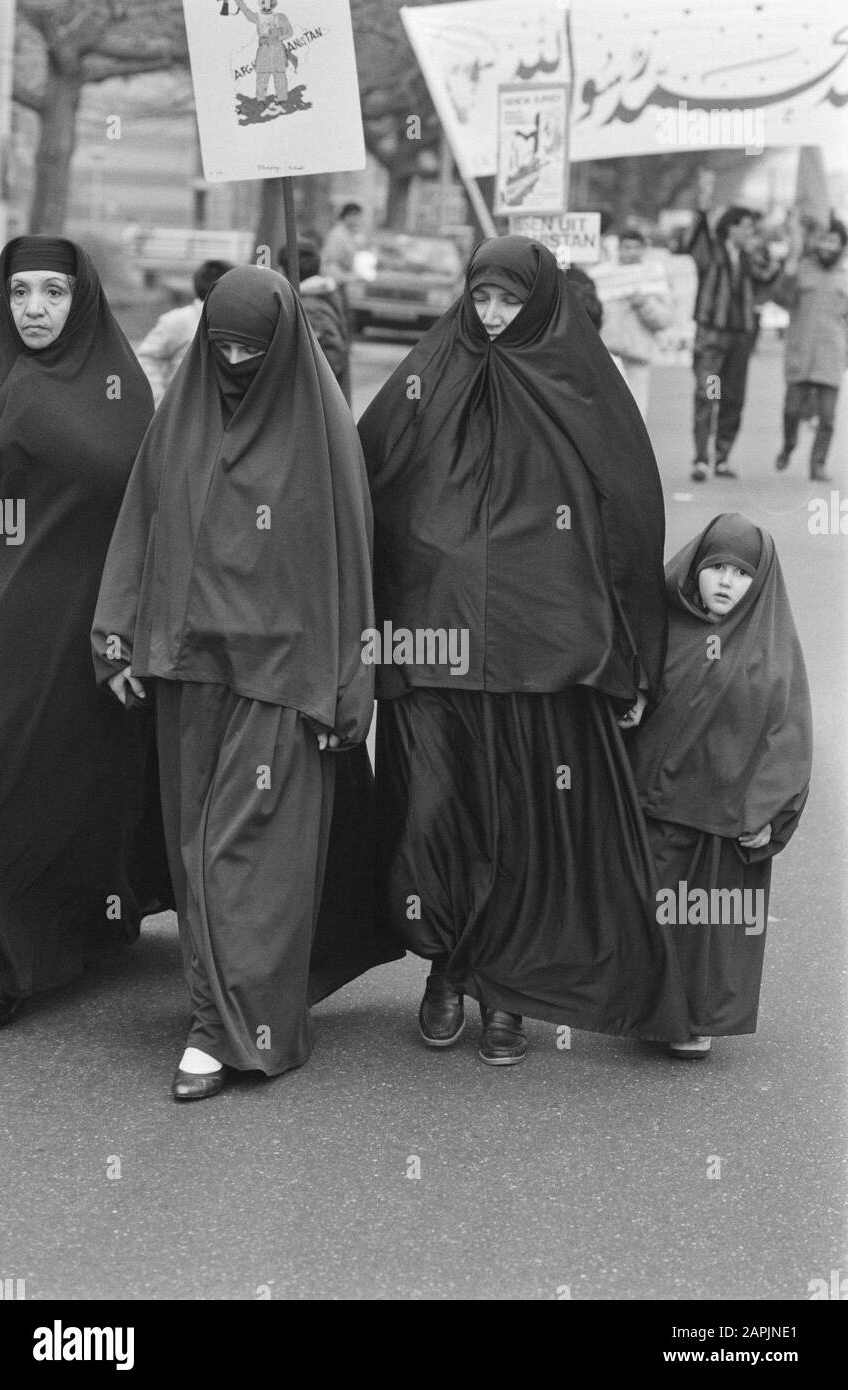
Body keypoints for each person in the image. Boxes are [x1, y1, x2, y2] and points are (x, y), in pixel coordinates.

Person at [359, 234, 691, 1066]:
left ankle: (504, 990)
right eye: (482, 299)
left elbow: (627, 524)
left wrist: (630, 654)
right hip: (426, 649)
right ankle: (444, 966)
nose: (495, 316)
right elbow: (358, 490)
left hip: (545, 657)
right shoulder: (421, 379)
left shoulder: (583, 386)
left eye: (510, 300)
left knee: (520, 825)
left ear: (541, 302)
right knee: (429, 816)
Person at [92, 266, 400, 1101]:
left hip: (285, 681)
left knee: (248, 862)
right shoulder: (180, 420)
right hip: (190, 674)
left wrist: (349, 685)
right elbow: (140, 523)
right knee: (198, 859)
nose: (233, 362)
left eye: (251, 350)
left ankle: (224, 1032)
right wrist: (117, 636)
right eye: (220, 346)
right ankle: (232, 1011)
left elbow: (349, 570)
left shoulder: (319, 434)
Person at [0, 235, 170, 1031]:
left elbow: (155, 507)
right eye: (20, 292)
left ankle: (75, 927)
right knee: (2, 776)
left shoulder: (123, 391)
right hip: (3, 621)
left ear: (81, 298)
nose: (34, 310)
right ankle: (3, 955)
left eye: (53, 293)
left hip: (95, 624)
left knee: (80, 785)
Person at [628, 514, 812, 1059]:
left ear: (759, 582)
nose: (727, 581)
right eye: (715, 568)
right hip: (656, 803)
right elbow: (628, 675)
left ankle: (694, 1017)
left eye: (741, 572)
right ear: (693, 570)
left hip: (728, 814)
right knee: (651, 908)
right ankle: (648, 1005)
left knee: (709, 922)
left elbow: (789, 733)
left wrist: (773, 814)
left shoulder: (770, 646)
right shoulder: (661, 627)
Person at [684, 169, 779, 482]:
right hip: (714, 338)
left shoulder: (750, 257)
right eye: (747, 227)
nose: (750, 233)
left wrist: (779, 248)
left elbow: (769, 277)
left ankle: (722, 457)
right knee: (709, 393)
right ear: (731, 228)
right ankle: (701, 457)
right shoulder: (711, 253)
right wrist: (703, 200)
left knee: (733, 397)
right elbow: (697, 235)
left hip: (740, 339)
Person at [771, 213, 848, 482]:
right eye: (823, 239)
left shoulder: (845, 276)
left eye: (833, 241)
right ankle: (788, 446)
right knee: (792, 410)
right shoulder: (802, 268)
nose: (827, 245)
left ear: (841, 244)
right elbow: (780, 298)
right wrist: (789, 271)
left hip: (832, 356)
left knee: (827, 418)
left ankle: (818, 464)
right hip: (801, 353)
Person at [598, 226, 673, 422]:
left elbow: (664, 319)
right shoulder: (603, 276)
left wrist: (645, 304)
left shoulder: (653, 279)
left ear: (643, 250)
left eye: (636, 247)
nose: (631, 252)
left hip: (637, 357)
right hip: (606, 355)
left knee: (636, 416)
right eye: (627, 247)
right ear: (619, 249)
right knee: (606, 414)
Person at [136, 259, 232, 407]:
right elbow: (145, 359)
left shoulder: (239, 321)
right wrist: (160, 402)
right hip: (183, 415)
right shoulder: (179, 321)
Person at [278, 241, 351, 403]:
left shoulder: (311, 309)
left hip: (314, 409)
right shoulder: (317, 298)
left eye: (280, 268)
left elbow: (328, 363)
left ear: (286, 271)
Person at [321, 203, 365, 290]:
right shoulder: (338, 234)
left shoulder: (350, 233)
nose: (358, 219)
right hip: (334, 277)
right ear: (347, 216)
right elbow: (331, 260)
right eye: (355, 216)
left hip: (343, 276)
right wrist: (347, 277)